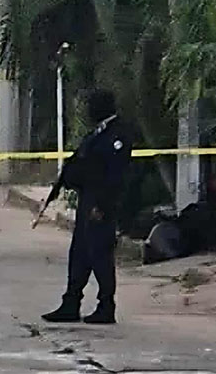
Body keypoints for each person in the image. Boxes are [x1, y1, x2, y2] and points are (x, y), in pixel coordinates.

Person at [40, 89, 132, 324]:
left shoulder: (117, 135)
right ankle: (71, 303)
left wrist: (102, 205)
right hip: (87, 199)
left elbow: (114, 174)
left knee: (100, 255)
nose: (88, 111)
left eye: (91, 105)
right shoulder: (98, 133)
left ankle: (106, 305)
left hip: (100, 203)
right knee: (79, 254)